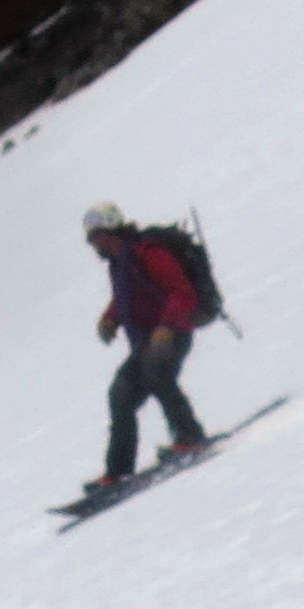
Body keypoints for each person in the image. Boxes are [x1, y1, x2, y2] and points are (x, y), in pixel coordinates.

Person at [84, 202, 210, 486]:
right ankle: (117, 471)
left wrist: (166, 327)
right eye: (91, 238)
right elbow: (126, 298)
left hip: (173, 332)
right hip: (146, 342)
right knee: (120, 394)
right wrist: (110, 319)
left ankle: (190, 437)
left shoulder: (149, 252)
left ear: (111, 230)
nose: (93, 244)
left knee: (158, 374)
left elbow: (182, 292)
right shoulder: (120, 262)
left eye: (96, 236)